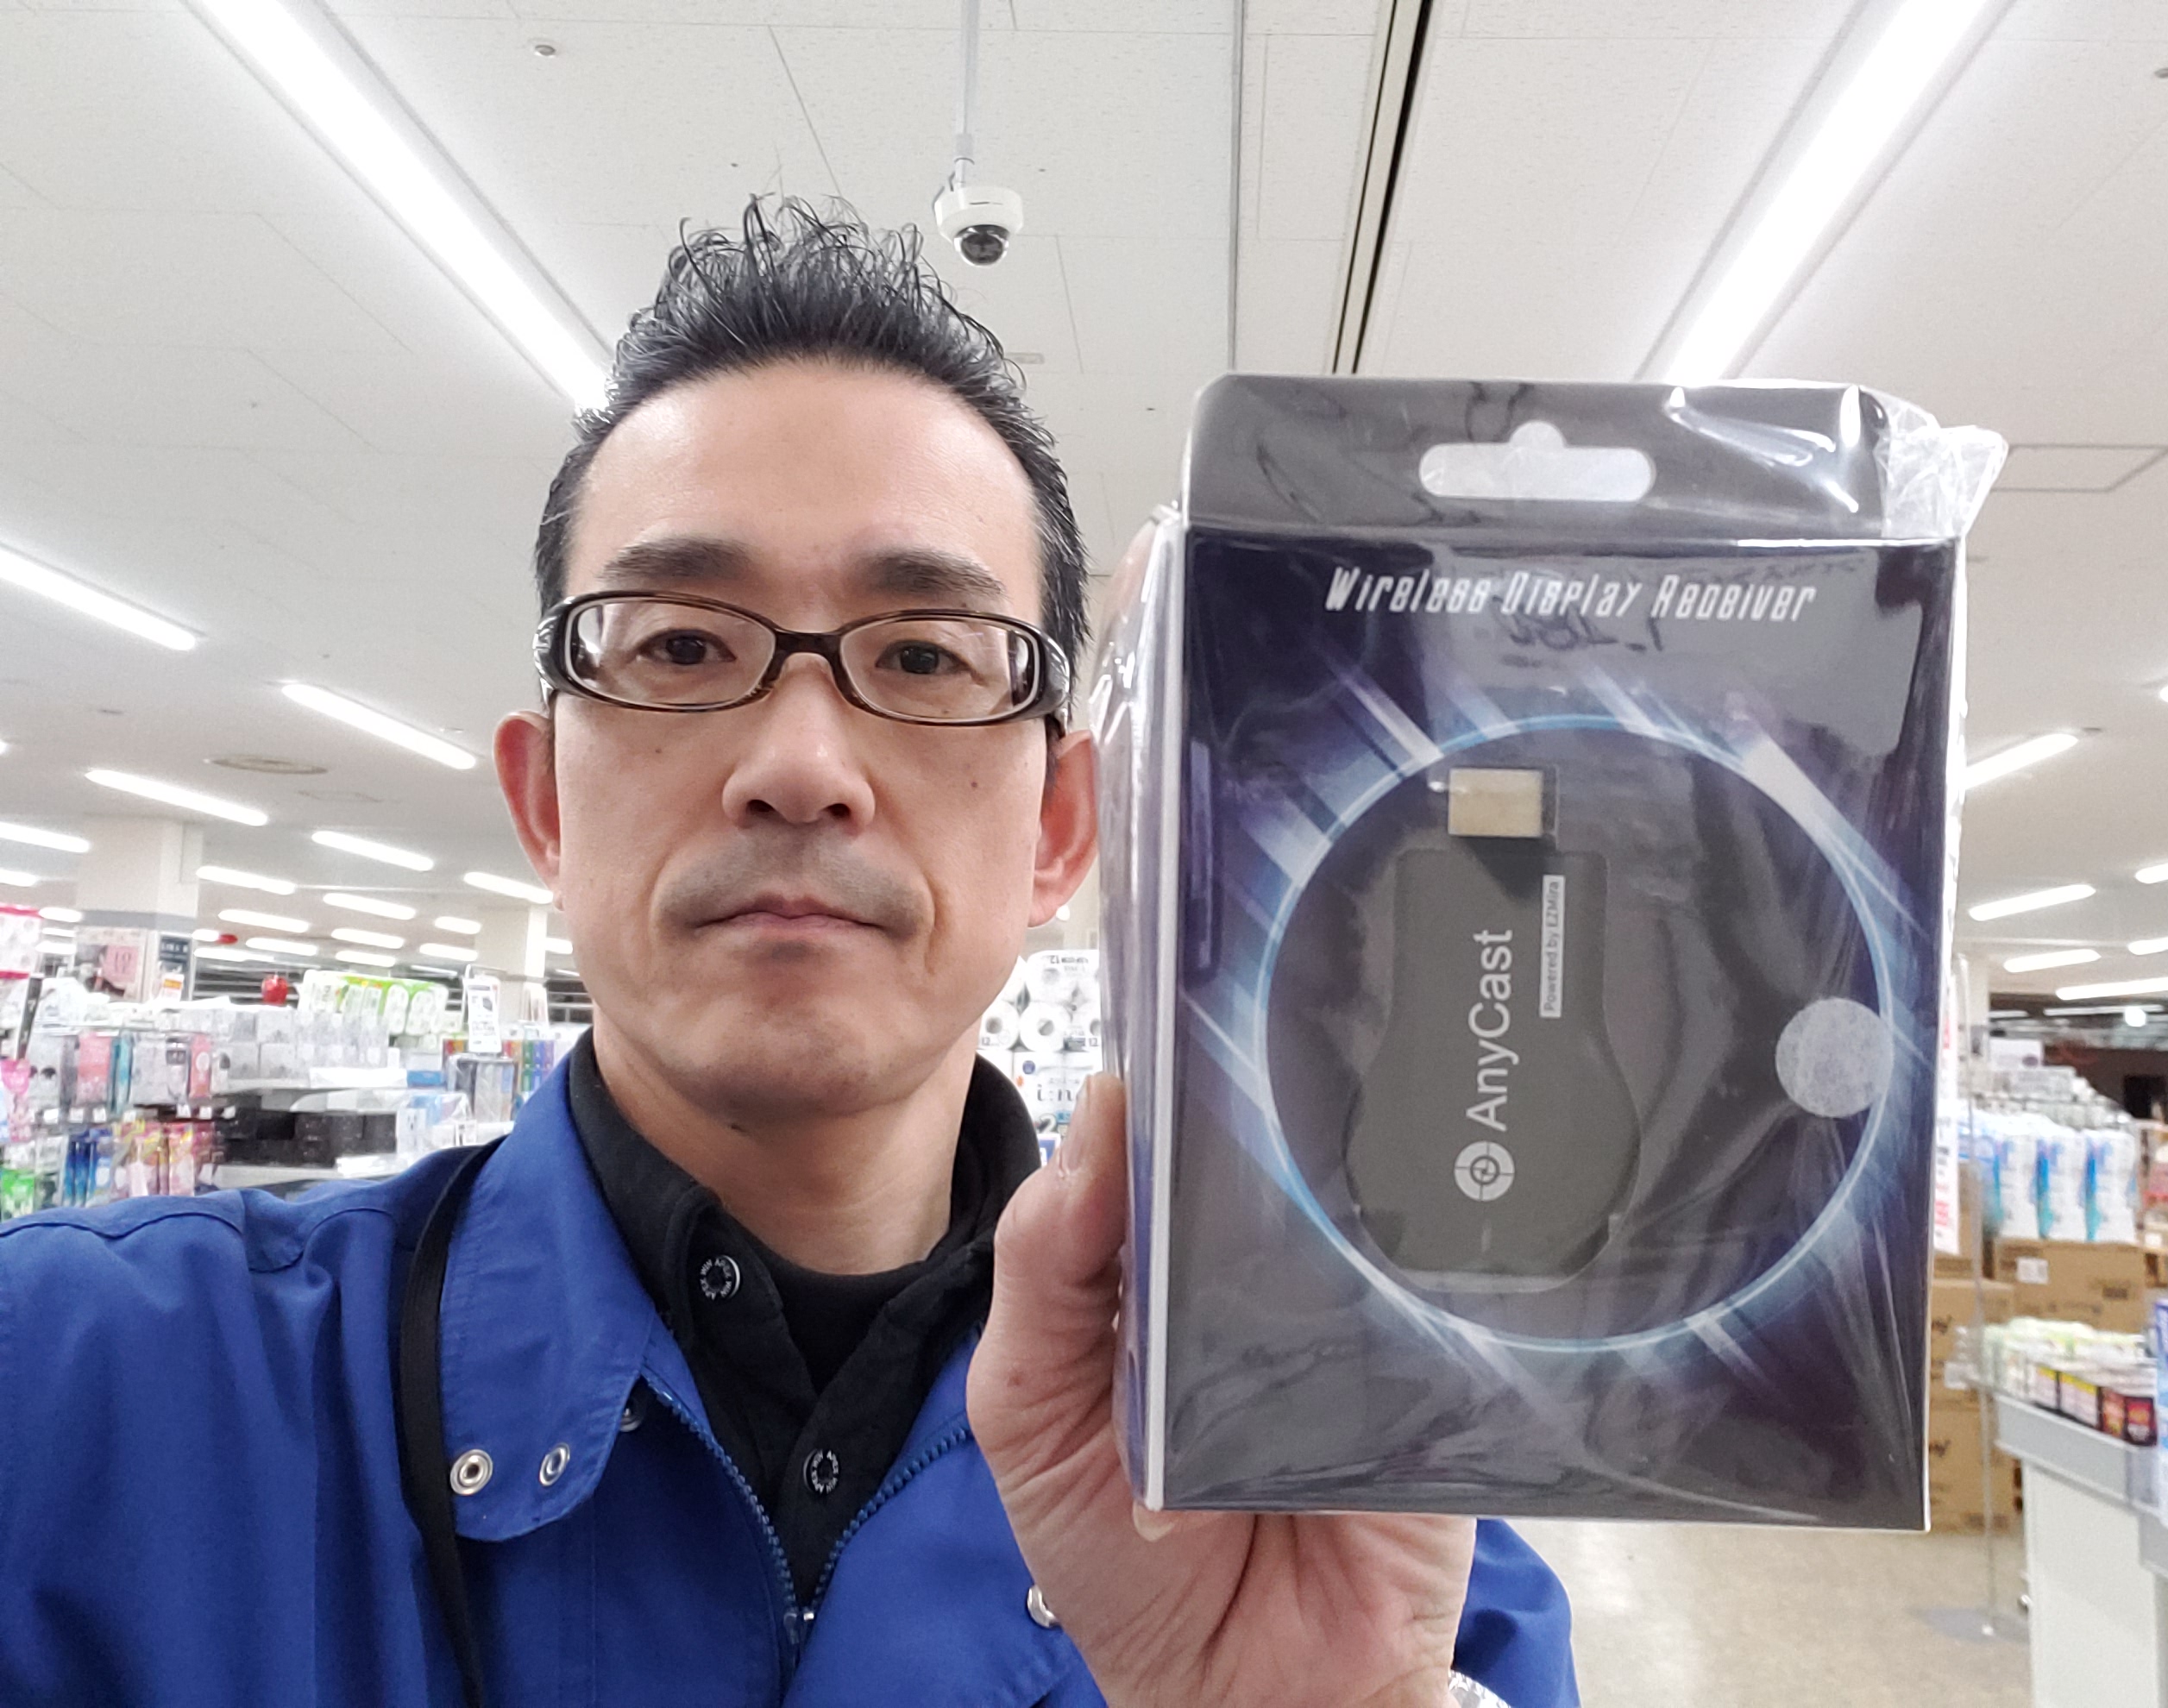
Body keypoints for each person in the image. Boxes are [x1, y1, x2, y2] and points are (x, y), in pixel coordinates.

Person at [0, 198, 1577, 1706]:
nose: (802, 765)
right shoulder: (81, 1398)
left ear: (1061, 829)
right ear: (546, 806)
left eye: (924, 655)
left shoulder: (1347, 1523)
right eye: (683, 644)